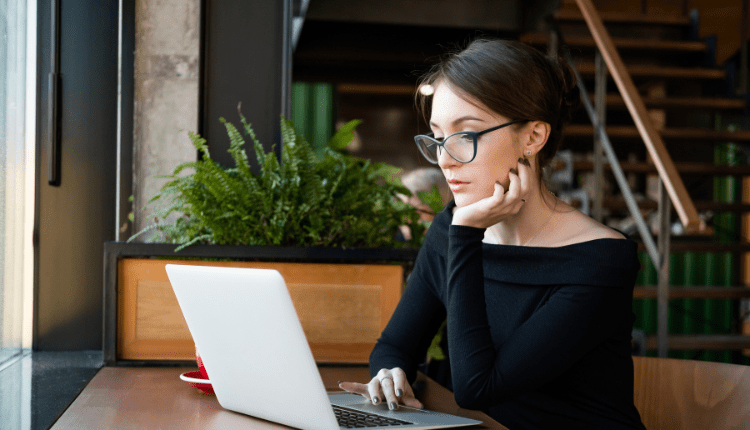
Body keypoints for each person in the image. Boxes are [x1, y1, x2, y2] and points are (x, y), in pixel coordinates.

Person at [339, 38, 646, 429]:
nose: (445, 159)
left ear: (533, 137)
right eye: (437, 137)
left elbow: (478, 387)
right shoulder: (449, 227)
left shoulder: (599, 260)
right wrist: (389, 374)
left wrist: (466, 233)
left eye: (466, 135)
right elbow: (395, 346)